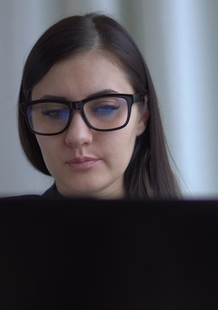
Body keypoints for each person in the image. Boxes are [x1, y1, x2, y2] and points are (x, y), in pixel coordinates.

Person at [18, 13, 181, 199]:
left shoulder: (198, 227)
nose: (77, 136)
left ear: (142, 115)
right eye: (54, 112)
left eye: (105, 108)